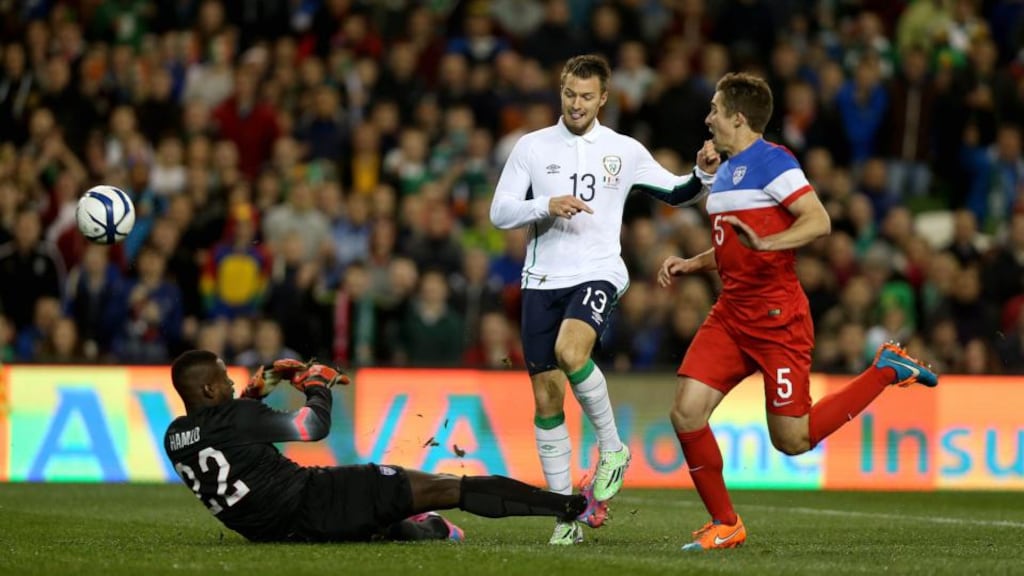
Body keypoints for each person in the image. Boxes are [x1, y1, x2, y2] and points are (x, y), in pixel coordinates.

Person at [657, 72, 938, 552]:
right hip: (731, 314)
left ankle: (886, 369)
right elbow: (734, 244)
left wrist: (769, 242)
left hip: (776, 318)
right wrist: (694, 262)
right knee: (685, 413)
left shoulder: (775, 161)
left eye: (714, 109)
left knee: (792, 440)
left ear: (738, 118)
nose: (708, 117)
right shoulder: (725, 171)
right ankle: (726, 523)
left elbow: (818, 221)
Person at [489, 53, 717, 545]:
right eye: (570, 94)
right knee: (547, 398)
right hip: (540, 280)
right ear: (561, 90)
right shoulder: (531, 147)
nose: (576, 104)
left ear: (604, 98)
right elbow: (500, 211)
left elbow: (676, 193)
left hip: (597, 272)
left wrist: (701, 174)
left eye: (586, 96)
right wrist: (543, 204)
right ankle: (565, 516)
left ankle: (612, 450)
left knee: (572, 352)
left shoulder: (623, 150)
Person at [163, 350, 607, 543]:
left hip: (272, 529)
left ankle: (428, 528)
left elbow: (230, 434)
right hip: (314, 500)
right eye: (223, 377)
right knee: (445, 486)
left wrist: (256, 392)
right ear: (206, 389)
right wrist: (318, 386)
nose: (231, 380)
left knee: (377, 519)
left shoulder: (175, 437)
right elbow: (312, 427)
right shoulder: (236, 419)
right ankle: (572, 507)